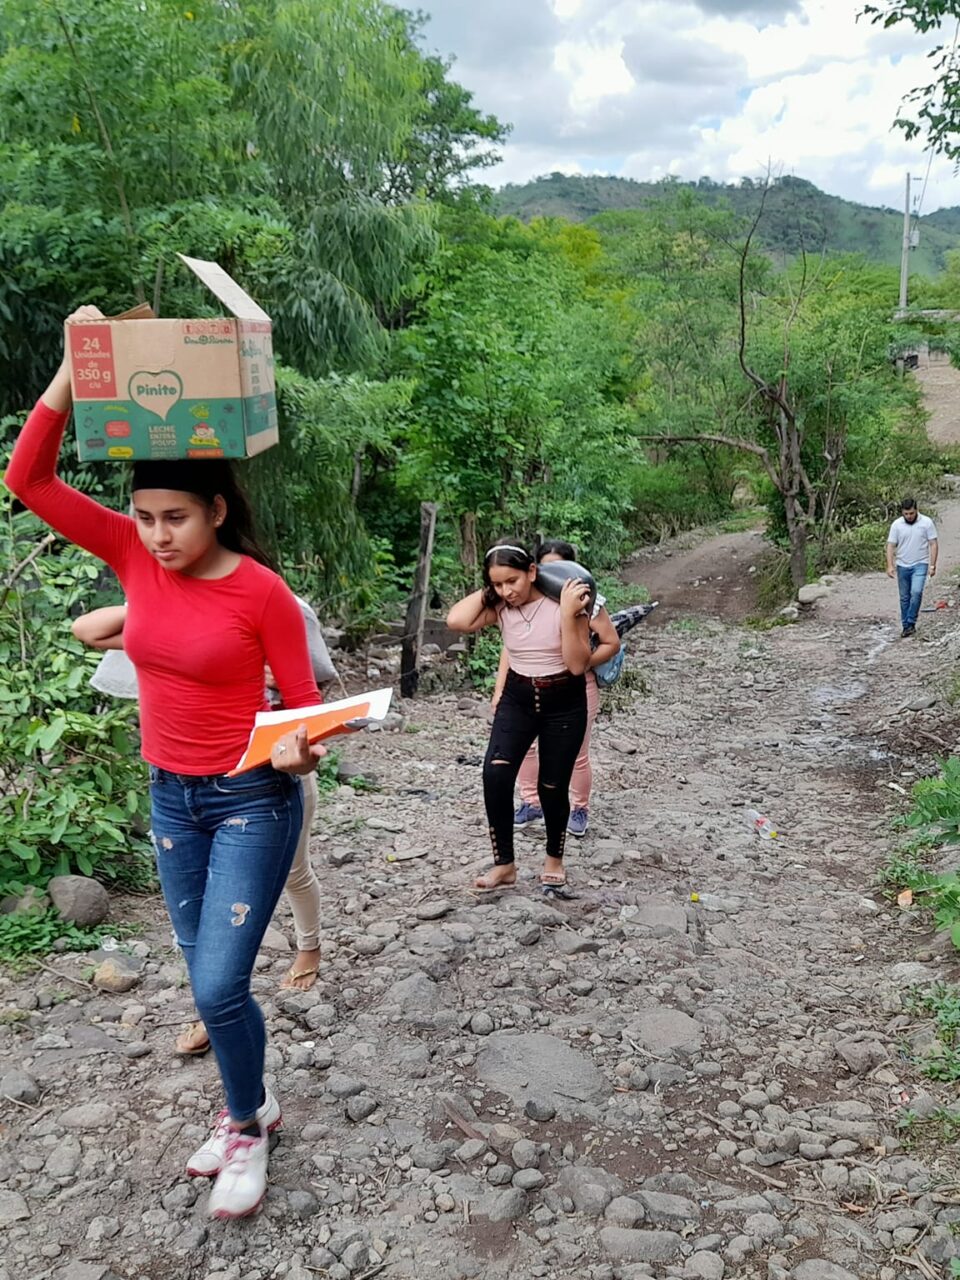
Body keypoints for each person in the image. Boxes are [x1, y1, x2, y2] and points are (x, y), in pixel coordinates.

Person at [6, 305, 326, 1220]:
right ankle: (251, 1100)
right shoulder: (130, 555)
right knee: (203, 976)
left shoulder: (262, 593)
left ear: (217, 511)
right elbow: (26, 478)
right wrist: (76, 366)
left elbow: (304, 708)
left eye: (175, 518)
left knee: (218, 984)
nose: (155, 535)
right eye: (144, 517)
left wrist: (300, 749)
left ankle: (246, 1127)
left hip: (251, 800)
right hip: (170, 798)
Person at [71, 599, 337, 1057]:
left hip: (270, 776)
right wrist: (161, 596)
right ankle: (213, 1010)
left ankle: (308, 948)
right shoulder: (167, 606)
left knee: (295, 872)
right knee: (200, 913)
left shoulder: (282, 606)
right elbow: (90, 628)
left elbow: (317, 692)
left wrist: (281, 680)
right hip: (184, 783)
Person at [447, 542, 592, 892]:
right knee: (495, 775)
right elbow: (456, 620)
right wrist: (491, 590)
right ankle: (505, 865)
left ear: (532, 572)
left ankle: (554, 859)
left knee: (551, 786)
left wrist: (569, 614)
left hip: (564, 700)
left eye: (512, 581)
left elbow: (577, 664)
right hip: (518, 697)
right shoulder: (500, 607)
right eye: (497, 584)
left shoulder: (564, 602)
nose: (506, 591)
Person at [495, 539, 619, 839]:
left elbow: (611, 642)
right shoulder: (524, 603)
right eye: (547, 568)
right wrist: (500, 689)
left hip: (576, 688)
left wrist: (583, 663)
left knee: (575, 753)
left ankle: (579, 808)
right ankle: (531, 802)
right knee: (526, 749)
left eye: (560, 567)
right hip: (529, 686)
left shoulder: (588, 600)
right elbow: (510, 649)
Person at [886, 497, 938, 638]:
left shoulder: (926, 523)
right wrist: (890, 565)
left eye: (911, 513)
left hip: (920, 563)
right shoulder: (896, 525)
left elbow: (933, 543)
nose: (909, 516)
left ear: (916, 510)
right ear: (902, 512)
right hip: (902, 564)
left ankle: (911, 620)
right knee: (904, 597)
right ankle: (906, 626)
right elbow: (891, 545)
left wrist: (932, 565)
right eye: (906, 514)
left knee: (916, 592)